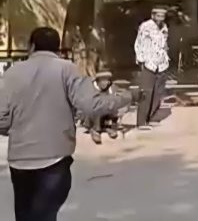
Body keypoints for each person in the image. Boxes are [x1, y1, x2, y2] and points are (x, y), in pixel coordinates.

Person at [0, 27, 134, 221]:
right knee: (45, 215)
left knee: (25, 215)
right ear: (58, 47)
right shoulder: (67, 69)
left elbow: (1, 117)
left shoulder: (13, 72)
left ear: (32, 46)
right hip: (54, 157)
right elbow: (91, 104)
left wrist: (15, 131)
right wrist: (126, 98)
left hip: (20, 160)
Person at [134, 5, 170, 131]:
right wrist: (141, 60)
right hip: (149, 63)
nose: (160, 18)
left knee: (158, 93)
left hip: (162, 64)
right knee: (146, 92)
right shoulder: (146, 26)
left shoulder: (164, 27)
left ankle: (151, 118)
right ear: (153, 15)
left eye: (163, 16)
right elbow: (139, 43)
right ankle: (141, 122)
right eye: (158, 16)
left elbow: (164, 43)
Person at [84, 72, 123, 145]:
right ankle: (96, 130)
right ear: (98, 81)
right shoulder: (91, 88)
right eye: (103, 80)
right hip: (92, 115)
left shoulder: (112, 87)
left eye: (107, 80)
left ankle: (107, 127)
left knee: (114, 106)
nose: (106, 83)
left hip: (106, 112)